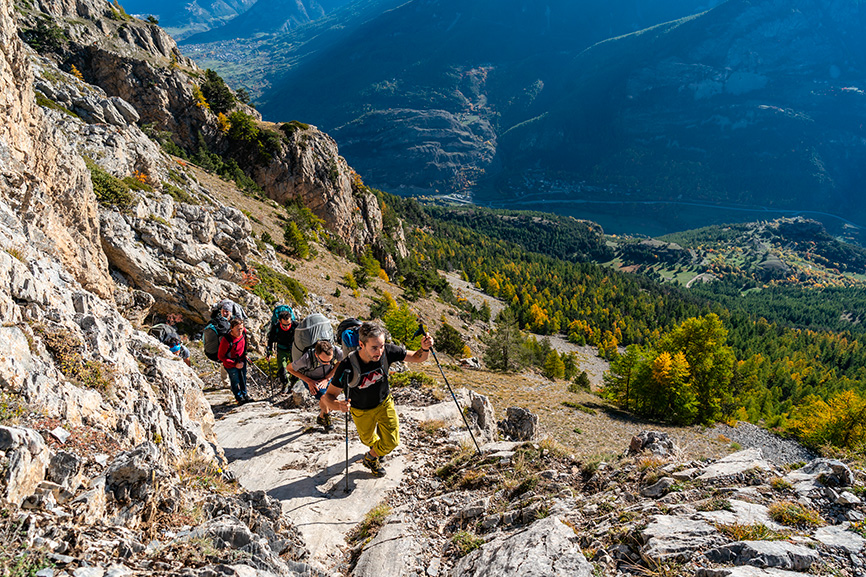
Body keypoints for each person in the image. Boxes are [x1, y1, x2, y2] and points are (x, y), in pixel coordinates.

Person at [323, 323, 433, 477]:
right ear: (361, 344)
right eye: (374, 347)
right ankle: (374, 451)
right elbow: (328, 397)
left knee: (392, 441)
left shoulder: (387, 351)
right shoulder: (347, 365)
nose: (380, 351)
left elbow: (417, 357)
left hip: (384, 403)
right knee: (368, 440)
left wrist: (425, 348)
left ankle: (371, 457)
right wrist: (338, 405)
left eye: (381, 345)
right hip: (360, 410)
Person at [286, 340, 344, 432]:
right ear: (316, 355)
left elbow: (342, 361)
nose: (328, 363)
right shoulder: (307, 358)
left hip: (328, 376)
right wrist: (309, 381)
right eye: (324, 361)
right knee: (324, 397)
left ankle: (321, 417)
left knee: (331, 397)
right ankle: (326, 417)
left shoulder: (336, 350)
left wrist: (328, 377)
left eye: (330, 360)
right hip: (313, 380)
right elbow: (289, 368)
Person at [218, 318, 251, 404]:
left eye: (241, 328)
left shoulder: (243, 332)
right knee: (235, 380)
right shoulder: (226, 340)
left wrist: (245, 354)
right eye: (238, 329)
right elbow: (221, 356)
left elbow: (244, 344)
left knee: (243, 378)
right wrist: (234, 364)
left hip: (242, 360)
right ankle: (239, 398)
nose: (240, 331)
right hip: (231, 364)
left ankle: (245, 395)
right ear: (231, 328)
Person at [266, 309, 296, 393]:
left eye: (288, 324)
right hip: (281, 348)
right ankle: (285, 384)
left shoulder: (295, 325)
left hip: (292, 349)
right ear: (279, 321)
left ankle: (293, 384)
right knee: (282, 368)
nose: (287, 326)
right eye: (284, 325)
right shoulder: (275, 327)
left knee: (296, 367)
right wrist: (269, 352)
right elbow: (270, 340)